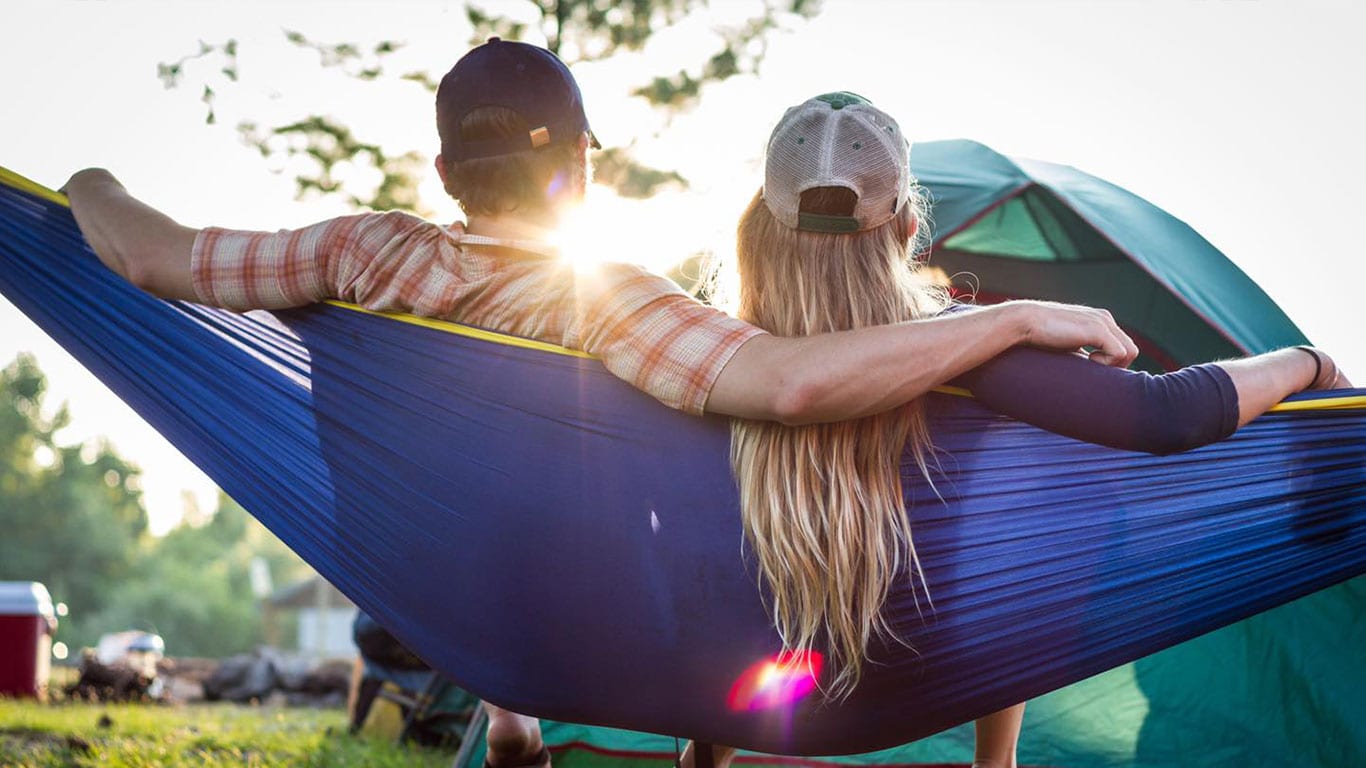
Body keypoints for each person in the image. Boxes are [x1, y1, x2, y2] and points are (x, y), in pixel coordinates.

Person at [62, 40, 1138, 768]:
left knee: (524, 495)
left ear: (442, 170)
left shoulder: (358, 250)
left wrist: (83, 185)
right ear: (581, 164)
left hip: (435, 585)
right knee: (688, 465)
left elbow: (153, 256)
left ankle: (507, 715)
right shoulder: (615, 302)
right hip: (612, 605)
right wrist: (1006, 322)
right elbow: (784, 383)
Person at [683, 92, 1350, 768]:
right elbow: (1170, 414)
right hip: (925, 672)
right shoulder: (966, 350)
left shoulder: (715, 362)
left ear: (756, 230)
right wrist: (1309, 362)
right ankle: (995, 762)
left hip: (762, 683)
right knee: (1031, 482)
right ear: (908, 229)